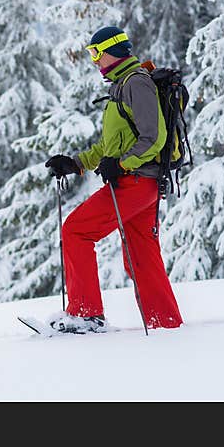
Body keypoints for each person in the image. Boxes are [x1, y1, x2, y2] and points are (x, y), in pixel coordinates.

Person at [44, 26, 183, 334]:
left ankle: (86, 315)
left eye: (96, 53)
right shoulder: (122, 86)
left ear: (112, 52)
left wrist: (122, 165)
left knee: (76, 231)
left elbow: (154, 138)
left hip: (135, 183)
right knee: (141, 255)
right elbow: (109, 149)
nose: (94, 61)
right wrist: (75, 163)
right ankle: (166, 324)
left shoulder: (136, 84)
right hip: (140, 184)